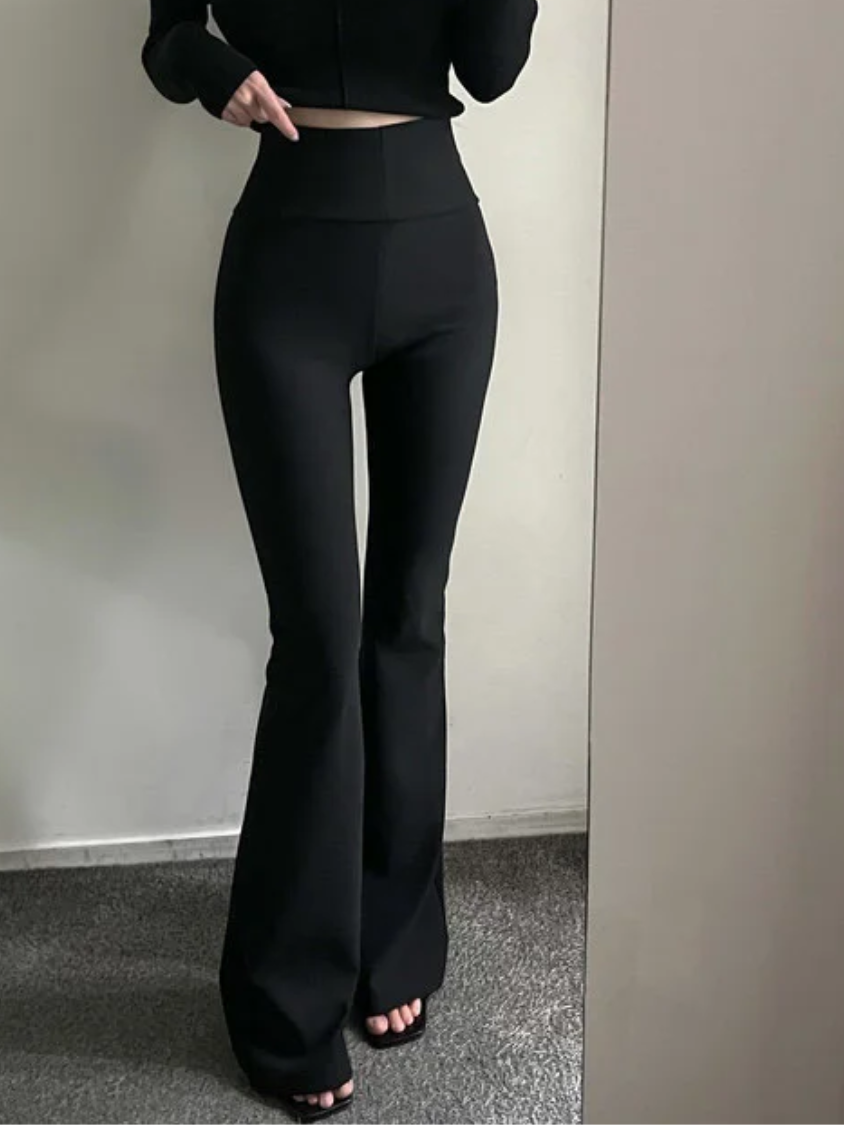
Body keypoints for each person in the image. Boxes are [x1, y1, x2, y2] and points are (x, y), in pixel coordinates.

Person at [140, 1, 538, 1120]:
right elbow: (167, 35)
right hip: (288, 259)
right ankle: (283, 999)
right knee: (318, 639)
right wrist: (212, 66)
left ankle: (391, 942)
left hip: (441, 261)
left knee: (408, 618)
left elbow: (492, 68)